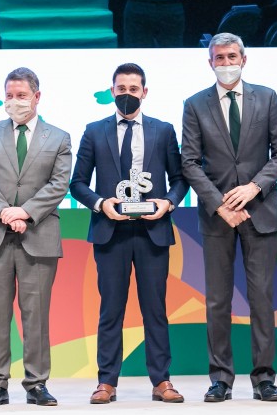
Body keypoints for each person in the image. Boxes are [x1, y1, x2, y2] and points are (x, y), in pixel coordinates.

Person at [181, 32, 277, 403]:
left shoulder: (268, 97)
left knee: (262, 298)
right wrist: (220, 204)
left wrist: (253, 188)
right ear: (209, 62)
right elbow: (189, 162)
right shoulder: (195, 104)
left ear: (243, 59)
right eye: (219, 57)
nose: (226, 63)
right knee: (217, 300)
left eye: (232, 56)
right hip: (217, 218)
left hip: (259, 211)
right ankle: (220, 379)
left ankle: (263, 378)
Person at [70, 63, 189, 404]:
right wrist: (100, 203)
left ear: (144, 93)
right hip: (110, 231)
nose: (126, 94)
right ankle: (106, 382)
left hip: (153, 231)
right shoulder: (94, 131)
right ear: (112, 92)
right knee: (111, 309)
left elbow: (180, 178)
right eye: (120, 89)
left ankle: (162, 381)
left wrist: (168, 202)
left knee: (155, 308)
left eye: (133, 89)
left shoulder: (163, 131)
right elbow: (77, 182)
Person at [0, 67, 72, 407]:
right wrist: (4, 212)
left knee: (36, 315)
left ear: (37, 97)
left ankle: (37, 383)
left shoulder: (58, 137)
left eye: (21, 96)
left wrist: (25, 212)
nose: (14, 102)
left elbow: (59, 183)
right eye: (9, 96)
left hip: (38, 234)